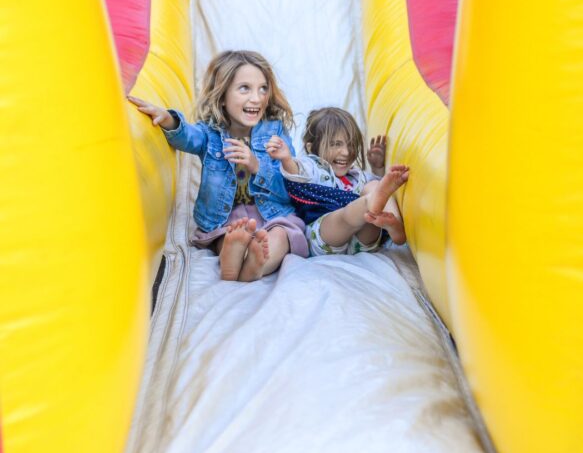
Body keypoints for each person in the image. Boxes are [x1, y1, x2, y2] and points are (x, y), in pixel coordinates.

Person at [127, 50, 308, 282]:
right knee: (228, 237)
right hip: (225, 217)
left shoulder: (274, 132)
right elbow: (188, 137)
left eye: (263, 88)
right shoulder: (211, 134)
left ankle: (255, 266)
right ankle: (232, 262)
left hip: (272, 213)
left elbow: (288, 185)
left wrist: (256, 164)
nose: (257, 97)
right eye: (245, 88)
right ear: (222, 96)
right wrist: (168, 119)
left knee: (283, 235)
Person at [266, 107, 409, 256]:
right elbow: (297, 172)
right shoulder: (313, 167)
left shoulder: (356, 176)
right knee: (348, 214)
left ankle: (395, 227)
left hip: (362, 243)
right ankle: (368, 204)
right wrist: (286, 159)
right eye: (336, 144)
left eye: (351, 144)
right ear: (311, 148)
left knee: (375, 188)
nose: (346, 152)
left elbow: (381, 191)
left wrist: (377, 168)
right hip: (326, 237)